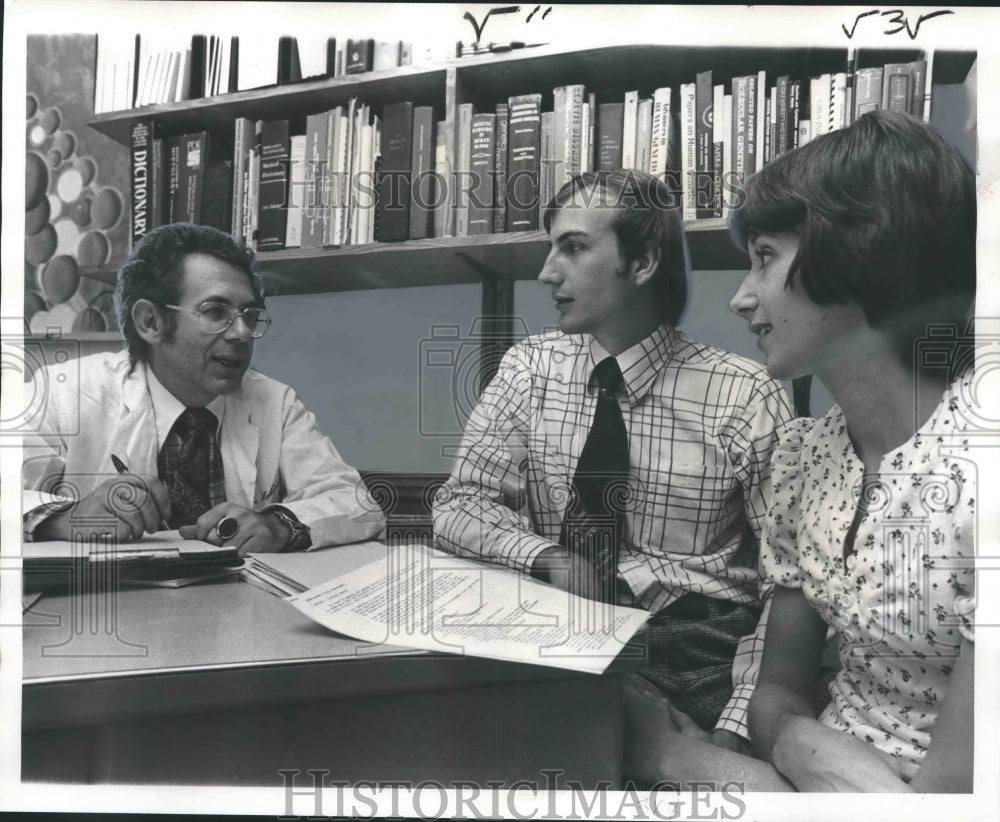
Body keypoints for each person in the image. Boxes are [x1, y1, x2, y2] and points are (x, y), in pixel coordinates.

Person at [632, 110, 977, 791]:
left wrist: (681, 760)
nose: (739, 297)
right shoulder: (803, 456)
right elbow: (775, 700)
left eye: (764, 256)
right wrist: (799, 747)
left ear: (861, 251)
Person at [433, 169, 794, 755]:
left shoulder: (745, 394)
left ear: (643, 262)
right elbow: (458, 505)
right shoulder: (530, 368)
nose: (547, 272)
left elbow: (788, 584)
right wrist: (547, 556)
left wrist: (736, 723)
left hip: (695, 648)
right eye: (551, 249)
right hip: (556, 622)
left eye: (573, 247)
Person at [23, 222, 385, 554]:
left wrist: (278, 525)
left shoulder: (275, 402)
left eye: (250, 316)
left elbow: (357, 504)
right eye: (216, 312)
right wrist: (65, 518)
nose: (242, 333)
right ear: (151, 322)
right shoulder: (64, 391)